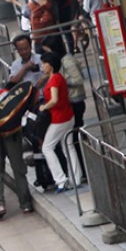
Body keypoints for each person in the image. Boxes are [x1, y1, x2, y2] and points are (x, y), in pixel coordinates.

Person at [41, 34, 87, 181]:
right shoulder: (57, 68)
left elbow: (78, 79)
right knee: (69, 143)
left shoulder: (66, 62)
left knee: (70, 141)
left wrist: (61, 83)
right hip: (68, 104)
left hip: (74, 102)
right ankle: (77, 175)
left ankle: (72, 175)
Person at [0, 86, 34, 220]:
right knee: (18, 168)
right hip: (13, 132)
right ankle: (25, 204)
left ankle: (0, 205)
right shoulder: (11, 99)